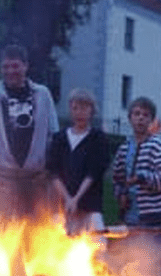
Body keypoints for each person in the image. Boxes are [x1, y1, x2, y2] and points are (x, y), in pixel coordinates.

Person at [0, 44, 59, 218]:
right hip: (2, 181)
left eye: (15, 66)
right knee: (3, 235)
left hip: (35, 179)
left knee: (35, 233)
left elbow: (53, 134)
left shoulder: (42, 94)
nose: (10, 71)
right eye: (5, 67)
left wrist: (48, 167)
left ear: (25, 66)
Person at [47, 89, 110, 235]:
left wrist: (76, 199)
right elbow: (53, 172)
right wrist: (68, 199)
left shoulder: (98, 139)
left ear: (92, 111)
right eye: (75, 108)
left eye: (84, 108)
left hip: (89, 205)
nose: (79, 113)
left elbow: (94, 172)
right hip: (62, 205)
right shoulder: (59, 138)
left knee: (97, 247)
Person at [110, 97, 161, 227]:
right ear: (130, 118)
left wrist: (142, 177)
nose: (140, 118)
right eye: (137, 114)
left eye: (145, 115)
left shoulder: (158, 146)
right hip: (130, 214)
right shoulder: (124, 148)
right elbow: (117, 179)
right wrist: (121, 194)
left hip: (155, 215)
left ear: (151, 120)